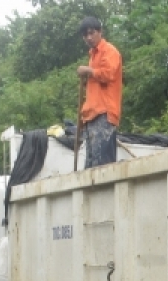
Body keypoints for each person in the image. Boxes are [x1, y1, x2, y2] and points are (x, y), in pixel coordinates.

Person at [75, 16, 122, 169]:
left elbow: (108, 74)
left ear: (100, 31)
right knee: (91, 166)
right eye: (85, 35)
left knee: (102, 166)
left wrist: (88, 71)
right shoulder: (93, 56)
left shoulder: (109, 51)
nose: (89, 37)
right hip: (91, 115)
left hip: (104, 113)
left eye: (91, 33)